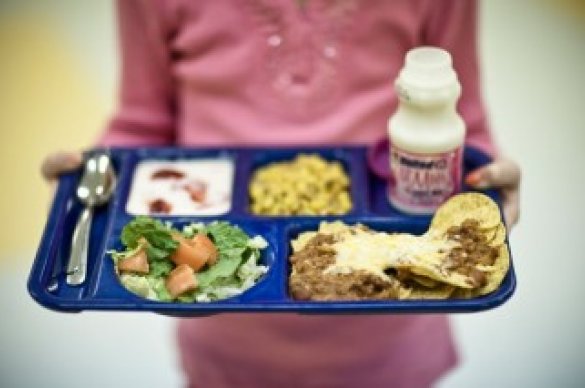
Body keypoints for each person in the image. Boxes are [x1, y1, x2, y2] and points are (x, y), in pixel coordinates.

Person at [41, 1, 521, 387]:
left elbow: (462, 122)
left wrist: (488, 188)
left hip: (392, 335)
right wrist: (94, 185)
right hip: (225, 336)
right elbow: (141, 122)